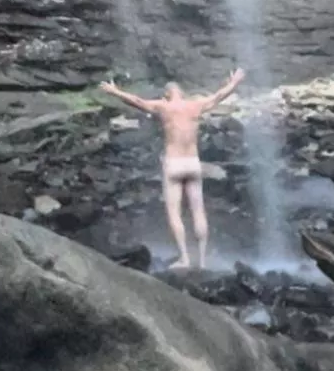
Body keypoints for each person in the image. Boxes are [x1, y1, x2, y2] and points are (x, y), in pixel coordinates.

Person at [99, 68, 245, 270]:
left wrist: (115, 91)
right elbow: (219, 96)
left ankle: (185, 258)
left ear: (166, 94)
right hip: (192, 163)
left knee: (174, 212)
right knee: (198, 210)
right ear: (182, 93)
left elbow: (137, 101)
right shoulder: (196, 105)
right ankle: (202, 261)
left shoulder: (163, 107)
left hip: (173, 163)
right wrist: (234, 82)